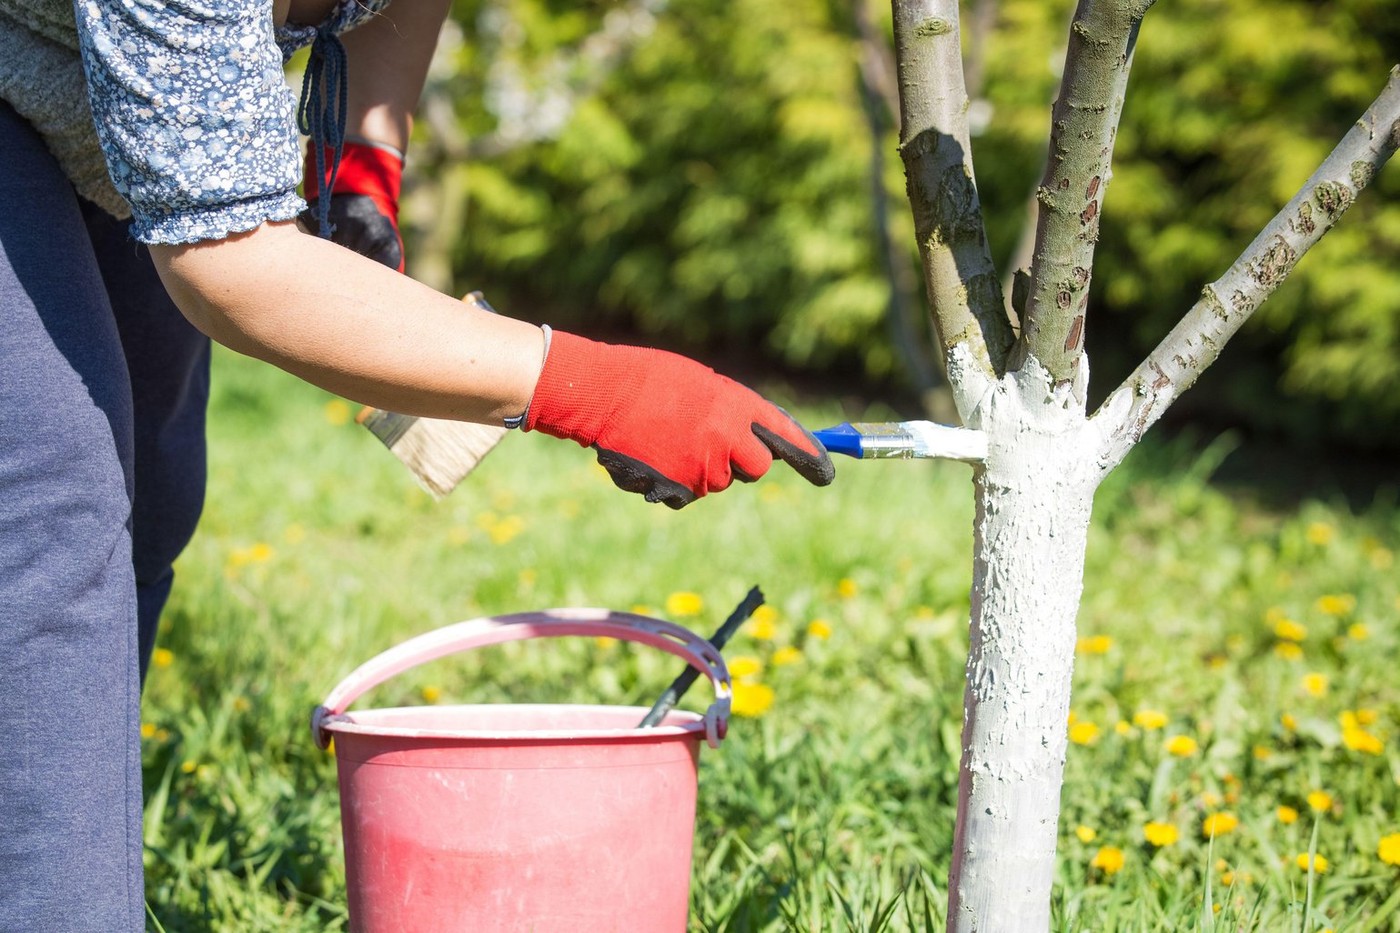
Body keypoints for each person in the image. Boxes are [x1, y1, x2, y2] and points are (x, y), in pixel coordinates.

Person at [0, 1, 834, 929]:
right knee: (49, 509)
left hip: (118, 94)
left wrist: (361, 162)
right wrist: (598, 389)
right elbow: (230, 263)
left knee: (150, 487)